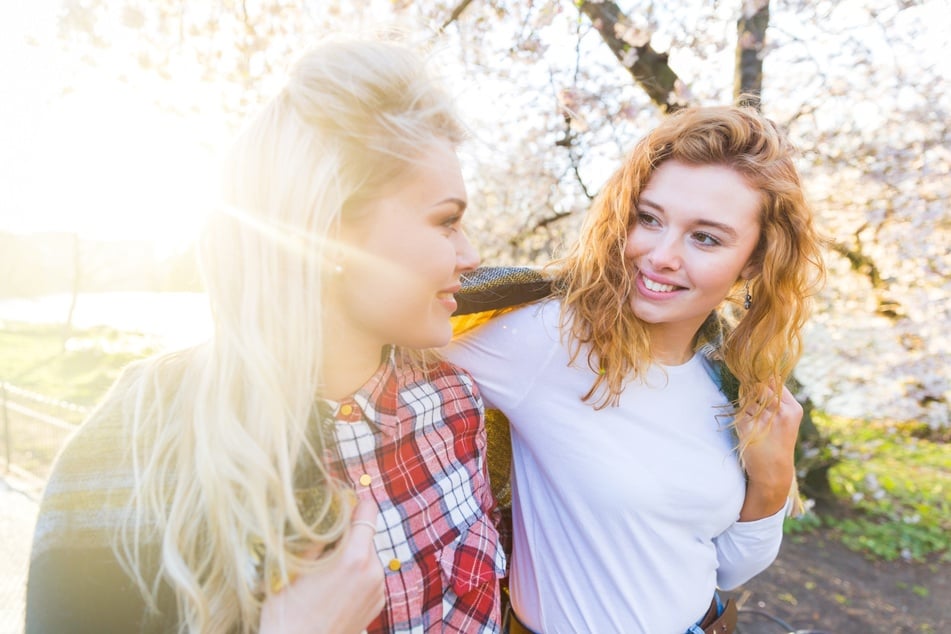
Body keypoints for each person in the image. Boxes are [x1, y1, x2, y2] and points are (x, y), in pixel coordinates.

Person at [25, 37, 506, 634]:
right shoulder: (137, 446)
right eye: (446, 221)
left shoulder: (459, 405)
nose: (472, 254)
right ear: (330, 232)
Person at [447, 105, 825, 633]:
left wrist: (772, 478)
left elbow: (727, 564)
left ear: (756, 261)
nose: (660, 255)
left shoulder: (733, 380)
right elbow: (382, 347)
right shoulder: (548, 337)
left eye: (706, 238)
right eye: (648, 218)